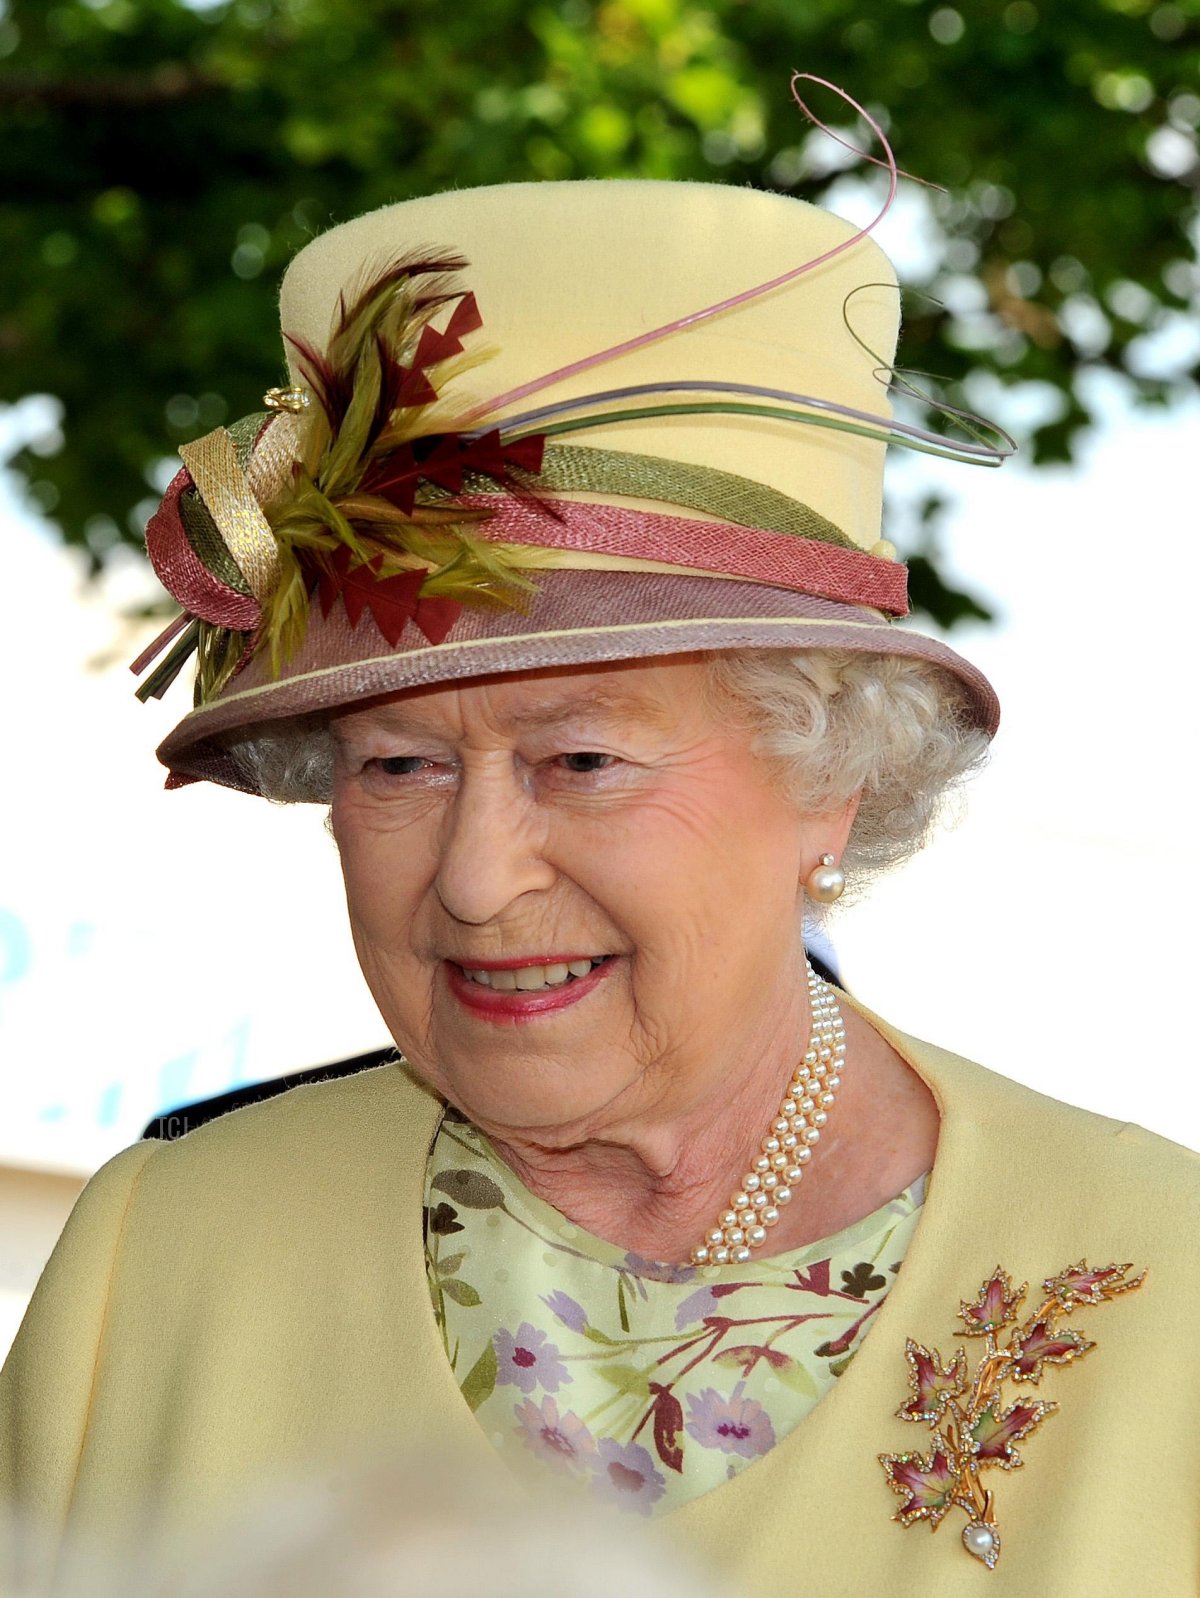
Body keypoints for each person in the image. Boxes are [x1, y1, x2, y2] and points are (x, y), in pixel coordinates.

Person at [1, 163, 1197, 1598]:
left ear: (833, 777)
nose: (476, 880)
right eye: (398, 766)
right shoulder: (164, 1251)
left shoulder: (1165, 1289)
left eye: (579, 759)